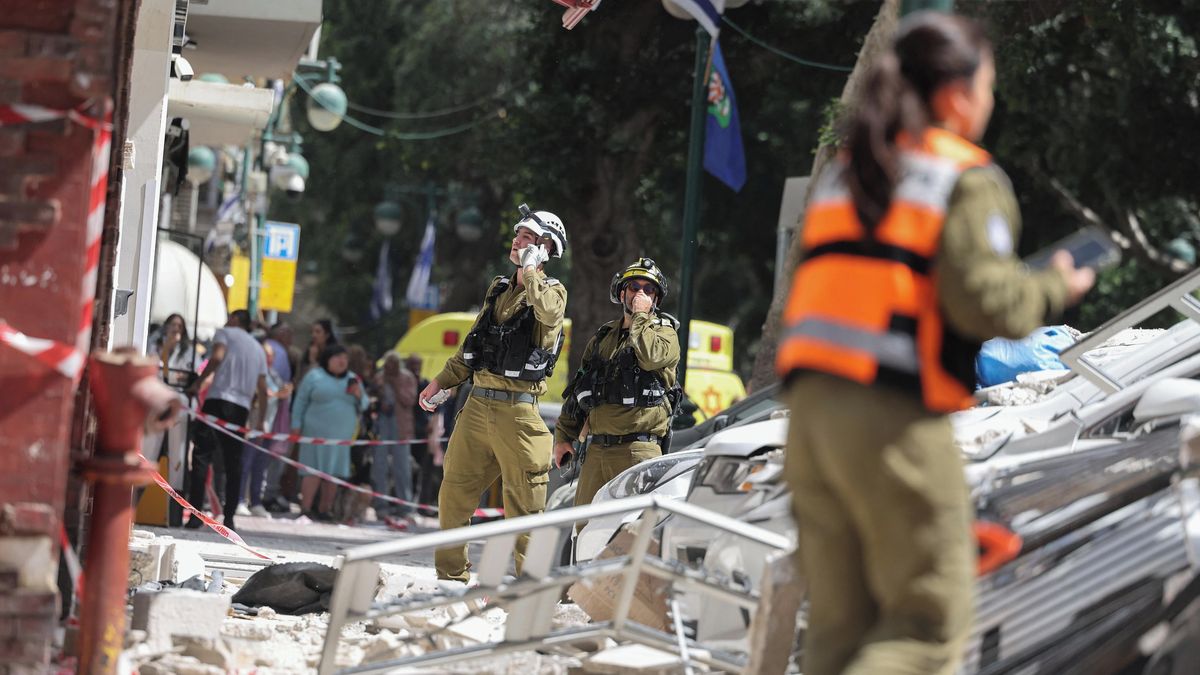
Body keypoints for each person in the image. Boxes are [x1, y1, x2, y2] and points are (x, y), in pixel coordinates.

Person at [775, 13, 1095, 675]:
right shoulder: (963, 178)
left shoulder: (846, 172)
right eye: (987, 86)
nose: (991, 102)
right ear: (956, 94)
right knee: (926, 627)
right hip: (888, 420)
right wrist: (1054, 286)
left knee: (840, 635)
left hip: (808, 421)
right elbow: (990, 303)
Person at [419, 204, 568, 583]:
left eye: (528, 238)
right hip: (477, 404)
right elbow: (473, 346)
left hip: (519, 414)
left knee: (525, 512)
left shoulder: (551, 291)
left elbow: (549, 315)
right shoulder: (499, 288)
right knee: (453, 496)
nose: (518, 241)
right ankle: (450, 578)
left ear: (546, 249)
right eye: (518, 235)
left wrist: (533, 268)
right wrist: (442, 382)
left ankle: (528, 589)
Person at [554, 258, 680, 514]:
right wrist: (563, 437)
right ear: (622, 293)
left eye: (649, 289)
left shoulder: (665, 334)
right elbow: (581, 386)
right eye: (634, 287)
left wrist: (642, 316)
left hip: (638, 451)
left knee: (631, 532)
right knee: (584, 528)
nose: (640, 294)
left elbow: (650, 356)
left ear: (656, 299)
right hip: (597, 450)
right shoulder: (603, 337)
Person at [184, 309, 269, 531]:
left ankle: (195, 515)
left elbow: (217, 356)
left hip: (218, 400)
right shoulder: (258, 349)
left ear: (235, 320)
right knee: (234, 464)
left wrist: (198, 382)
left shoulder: (225, 333)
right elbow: (262, 388)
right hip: (240, 409)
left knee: (202, 457)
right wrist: (260, 420)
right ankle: (229, 517)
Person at [290, 344, 369, 521]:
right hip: (314, 433)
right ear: (327, 360)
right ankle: (306, 509)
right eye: (337, 357)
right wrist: (295, 425)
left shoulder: (353, 379)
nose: (342, 361)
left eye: (344, 358)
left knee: (333, 472)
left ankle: (325, 510)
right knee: (311, 471)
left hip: (341, 437)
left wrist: (358, 394)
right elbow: (300, 402)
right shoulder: (314, 376)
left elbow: (364, 404)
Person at [241, 339, 293, 518]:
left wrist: (284, 392)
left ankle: (256, 501)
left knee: (260, 467)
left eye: (271, 356)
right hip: (254, 425)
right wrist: (275, 394)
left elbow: (278, 393)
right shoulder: (253, 373)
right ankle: (240, 499)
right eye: (266, 355)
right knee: (245, 463)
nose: (269, 359)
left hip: (269, 427)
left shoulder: (274, 375)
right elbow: (260, 394)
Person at [372, 353, 418, 524]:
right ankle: (381, 506)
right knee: (380, 467)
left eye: (393, 364)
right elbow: (372, 397)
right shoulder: (379, 377)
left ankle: (405, 507)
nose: (390, 367)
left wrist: (395, 385)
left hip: (400, 427)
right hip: (382, 424)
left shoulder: (407, 378)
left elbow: (410, 400)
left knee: (403, 468)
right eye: (388, 364)